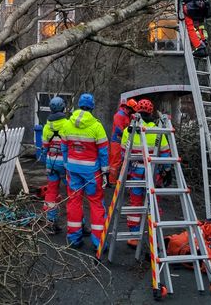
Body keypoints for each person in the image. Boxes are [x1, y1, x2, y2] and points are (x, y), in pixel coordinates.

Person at [120, 98, 171, 247]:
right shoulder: (157, 131)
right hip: (153, 173)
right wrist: (167, 171)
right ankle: (153, 235)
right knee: (153, 204)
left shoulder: (128, 131)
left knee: (135, 203)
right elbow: (166, 154)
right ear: (151, 112)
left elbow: (124, 154)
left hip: (135, 173)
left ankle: (134, 236)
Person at [61, 92, 109, 249]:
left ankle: (74, 239)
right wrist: (105, 171)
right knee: (96, 204)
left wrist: (68, 164)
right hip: (92, 172)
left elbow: (64, 148)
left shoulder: (67, 124)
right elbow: (103, 152)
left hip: (73, 170)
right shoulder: (97, 126)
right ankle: (98, 243)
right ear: (92, 107)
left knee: (74, 201)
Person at [41, 96, 72, 235]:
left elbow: (44, 146)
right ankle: (78, 224)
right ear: (63, 108)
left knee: (51, 192)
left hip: (51, 162)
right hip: (65, 164)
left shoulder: (47, 126)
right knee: (72, 193)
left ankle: (50, 222)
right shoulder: (67, 124)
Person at [108, 98, 137, 184]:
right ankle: (111, 181)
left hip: (121, 141)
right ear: (129, 109)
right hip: (116, 141)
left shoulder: (126, 115)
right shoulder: (120, 115)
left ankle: (114, 180)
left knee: (118, 162)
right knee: (115, 162)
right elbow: (118, 129)